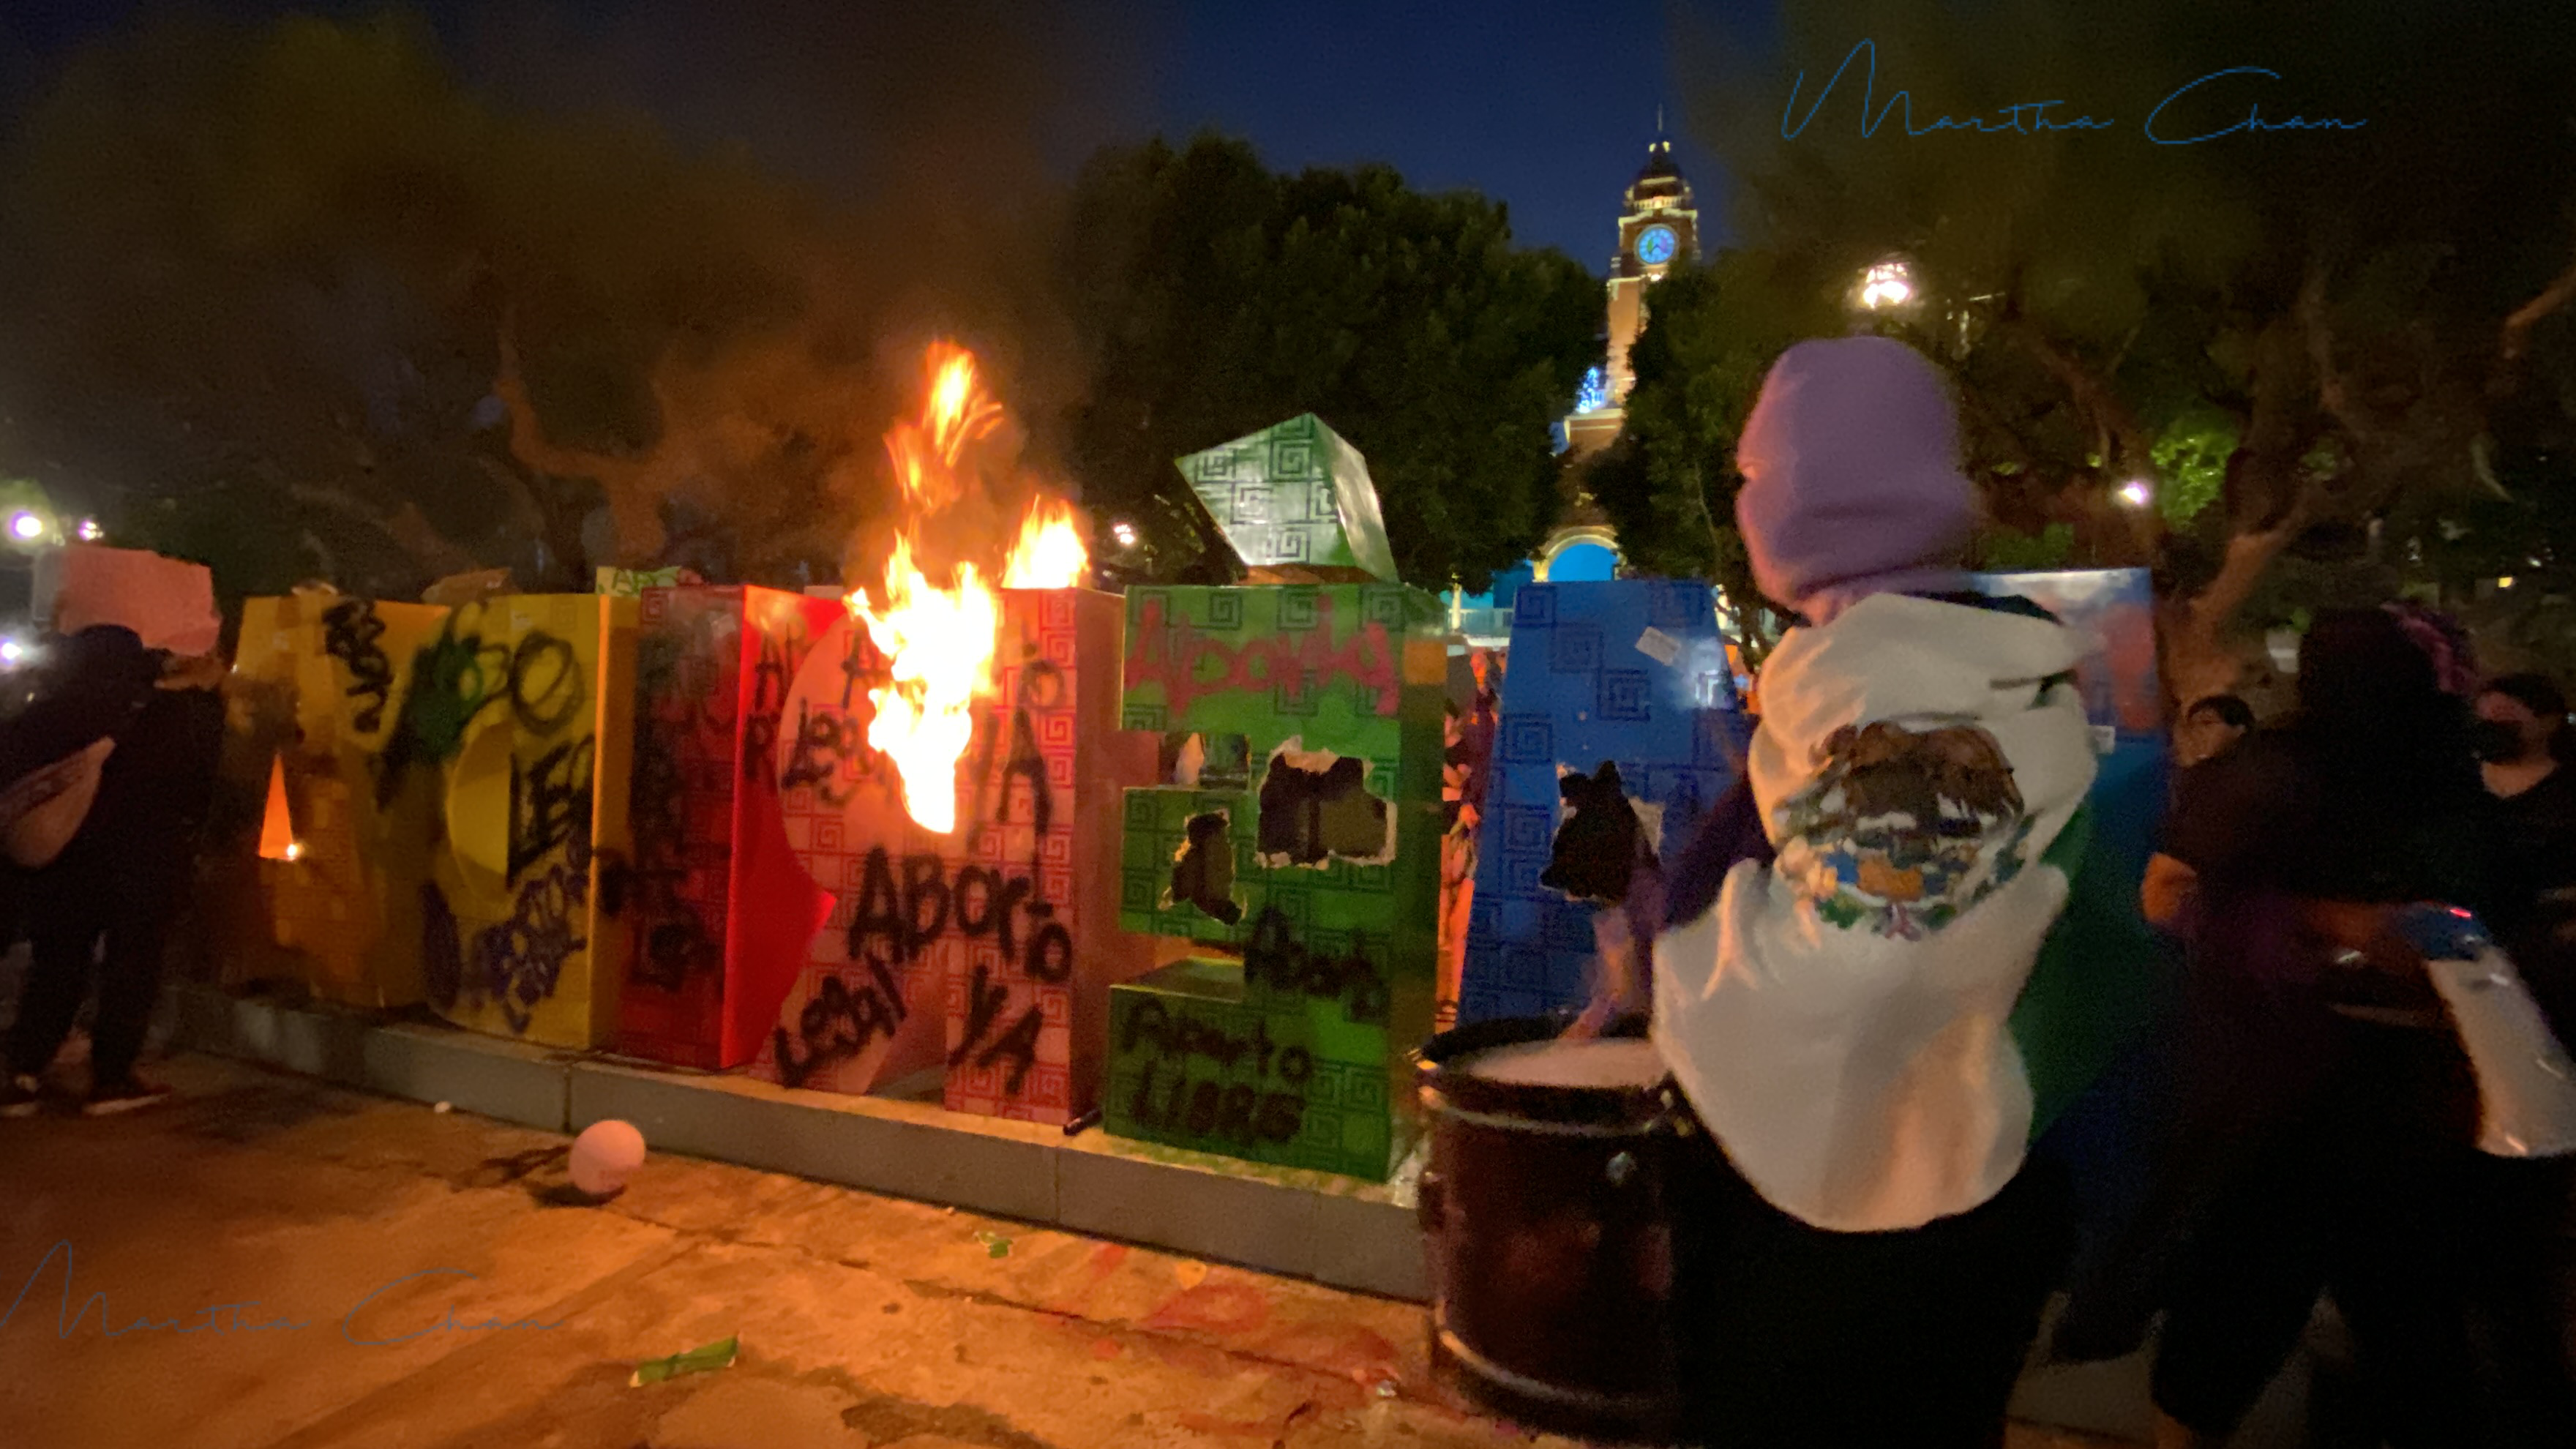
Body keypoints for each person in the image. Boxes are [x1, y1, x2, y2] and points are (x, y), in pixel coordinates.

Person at [1651, 335, 2134, 1446]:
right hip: (1960, 1196)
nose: (1745, 506)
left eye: (1755, 478)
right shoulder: (1961, 655)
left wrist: (1689, 963)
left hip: (1874, 1209)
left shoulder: (1901, 681)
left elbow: (1873, 956)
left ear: (1815, 498)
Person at [2138, 608, 2572, 1448]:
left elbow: (2500, 898)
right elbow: (2167, 894)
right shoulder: (2270, 769)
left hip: (2427, 1094)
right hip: (2285, 1088)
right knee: (2238, 1308)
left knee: (2413, 1323)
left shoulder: (2446, 768)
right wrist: (2337, 921)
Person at [0, 617, 225, 1117]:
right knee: (133, 964)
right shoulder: (165, 712)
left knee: (57, 960)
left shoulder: (45, 713)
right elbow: (199, 784)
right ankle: (112, 1077)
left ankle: (24, 1071)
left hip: (62, 858)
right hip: (143, 861)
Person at [2174, 693, 2253, 770]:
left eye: (2207, 723)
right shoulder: (2193, 775)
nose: (2197, 731)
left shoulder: (2255, 769)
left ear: (2239, 728)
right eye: (2192, 726)